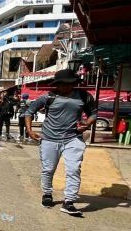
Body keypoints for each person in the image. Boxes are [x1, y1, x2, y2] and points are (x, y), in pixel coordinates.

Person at [24, 69, 97, 216]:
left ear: (74, 83)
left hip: (73, 138)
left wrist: (87, 124)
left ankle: (69, 201)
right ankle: (47, 194)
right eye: (62, 84)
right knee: (48, 169)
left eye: (69, 84)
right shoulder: (48, 97)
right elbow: (29, 112)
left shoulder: (84, 96)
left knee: (73, 169)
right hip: (49, 139)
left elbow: (93, 114)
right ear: (57, 84)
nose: (66, 87)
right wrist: (30, 131)